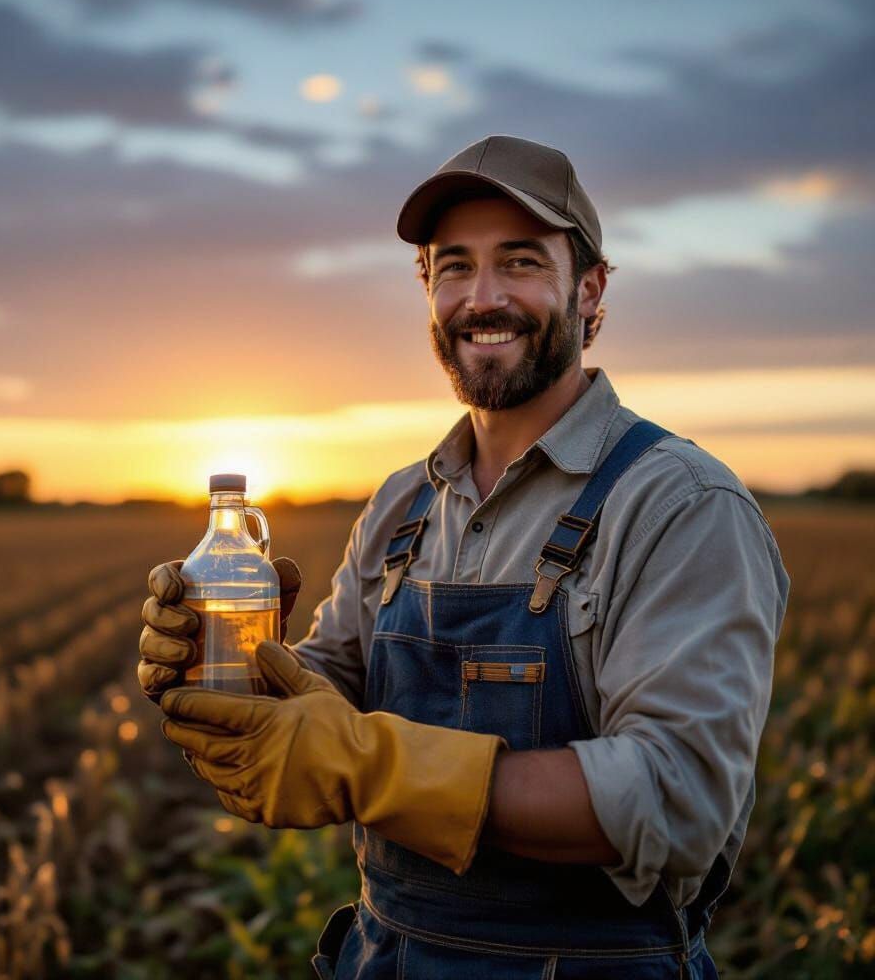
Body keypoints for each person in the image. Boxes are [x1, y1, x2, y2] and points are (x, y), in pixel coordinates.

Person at [137, 135, 791, 978]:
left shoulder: (681, 506)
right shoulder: (401, 505)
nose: (483, 298)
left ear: (589, 288)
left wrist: (369, 765)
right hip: (387, 958)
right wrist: (228, 662)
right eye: (454, 267)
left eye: (519, 262)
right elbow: (329, 690)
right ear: (427, 290)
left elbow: (676, 798)